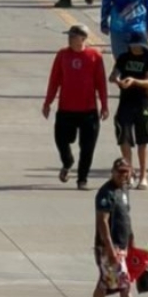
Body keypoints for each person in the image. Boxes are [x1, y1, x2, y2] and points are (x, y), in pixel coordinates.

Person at [43, 24, 110, 191]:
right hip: (66, 109)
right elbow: (54, 80)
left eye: (73, 36)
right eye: (69, 36)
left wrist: (104, 105)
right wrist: (48, 102)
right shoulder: (62, 55)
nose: (70, 39)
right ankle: (67, 162)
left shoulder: (94, 56)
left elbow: (101, 83)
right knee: (61, 140)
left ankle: (82, 179)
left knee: (87, 148)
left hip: (88, 111)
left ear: (83, 39)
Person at [89, 158, 139, 297]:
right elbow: (102, 222)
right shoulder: (106, 193)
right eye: (120, 172)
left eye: (126, 172)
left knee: (104, 284)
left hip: (121, 245)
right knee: (124, 284)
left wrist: (131, 241)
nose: (123, 175)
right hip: (108, 247)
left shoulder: (124, 190)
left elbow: (125, 217)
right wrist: (110, 250)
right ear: (112, 172)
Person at [110, 32, 148, 190]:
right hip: (125, 102)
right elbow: (113, 75)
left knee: (142, 141)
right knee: (124, 138)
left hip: (142, 103)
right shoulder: (123, 58)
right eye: (134, 45)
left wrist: (134, 81)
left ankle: (143, 176)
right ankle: (128, 173)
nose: (136, 48)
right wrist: (118, 81)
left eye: (139, 45)